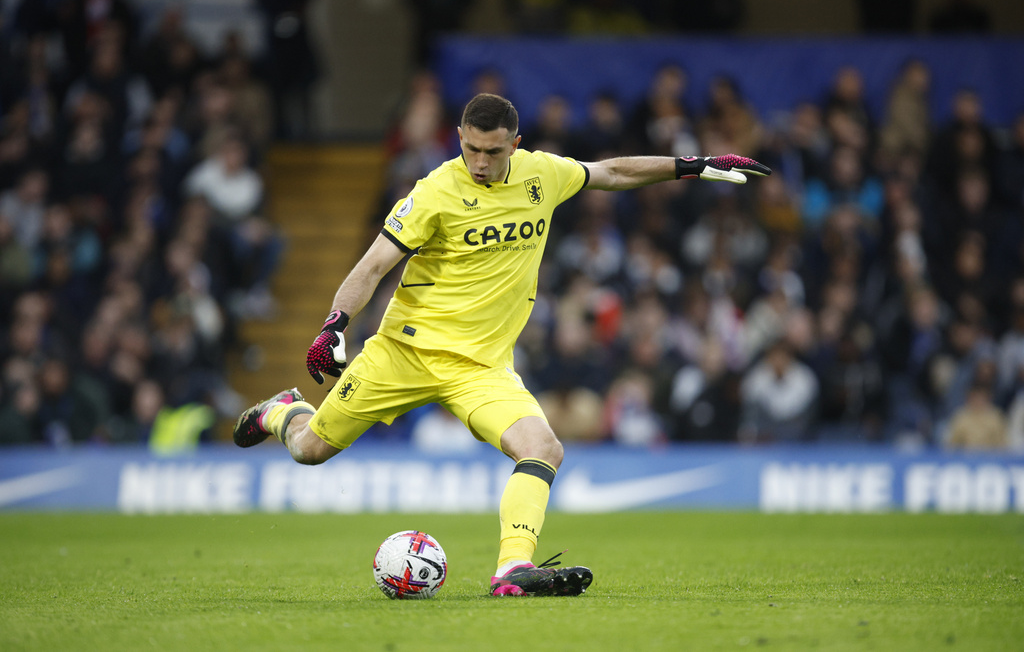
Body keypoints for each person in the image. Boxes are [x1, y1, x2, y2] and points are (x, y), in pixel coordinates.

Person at [232, 93, 770, 596]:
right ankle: (284, 412)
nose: (480, 162)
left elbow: (611, 171)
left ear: (515, 143)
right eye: (470, 148)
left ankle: (513, 567)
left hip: (482, 369)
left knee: (544, 448)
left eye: (492, 151)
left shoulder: (543, 173)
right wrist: (334, 325)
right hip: (404, 354)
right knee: (310, 450)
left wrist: (692, 165)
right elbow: (374, 264)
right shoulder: (433, 191)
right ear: (459, 139)